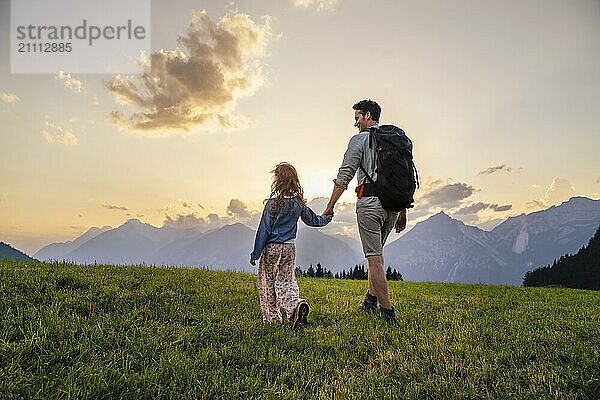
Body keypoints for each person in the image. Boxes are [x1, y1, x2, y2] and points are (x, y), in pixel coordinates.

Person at [322, 99, 407, 325]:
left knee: (374, 260)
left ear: (368, 116)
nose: (355, 124)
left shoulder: (360, 140)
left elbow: (345, 175)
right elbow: (404, 179)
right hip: (391, 208)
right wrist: (402, 212)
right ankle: (370, 301)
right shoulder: (394, 141)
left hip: (370, 206)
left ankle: (387, 313)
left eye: (357, 118)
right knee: (376, 257)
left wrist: (330, 206)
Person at [250, 162, 332, 328]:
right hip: (289, 247)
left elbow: (264, 230)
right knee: (286, 281)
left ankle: (272, 320)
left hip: (271, 247)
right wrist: (326, 218)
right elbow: (313, 220)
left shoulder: (272, 204)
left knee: (268, 282)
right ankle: (295, 306)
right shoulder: (298, 203)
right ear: (295, 181)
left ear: (277, 181)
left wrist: (255, 254)